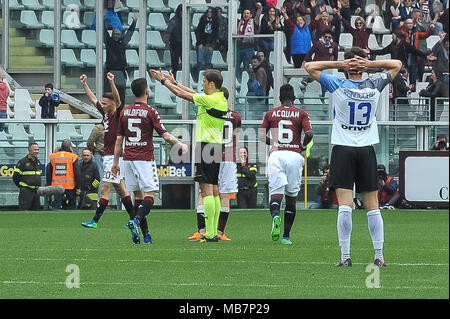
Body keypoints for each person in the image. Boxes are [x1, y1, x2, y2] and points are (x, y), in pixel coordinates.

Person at [304, 46, 402, 267]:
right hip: (366, 148)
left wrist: (340, 65)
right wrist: (370, 65)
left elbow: (309, 66)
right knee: (373, 205)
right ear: (362, 66)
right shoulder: (374, 84)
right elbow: (397, 64)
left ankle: (345, 256)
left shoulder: (338, 83)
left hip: (343, 148)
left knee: (345, 205)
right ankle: (379, 255)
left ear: (347, 67)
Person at [150, 68, 228, 243]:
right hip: (216, 146)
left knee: (206, 190)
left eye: (204, 81)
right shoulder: (219, 98)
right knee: (214, 190)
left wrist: (164, 81)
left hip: (205, 146)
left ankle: (208, 234)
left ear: (211, 83)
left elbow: (181, 95)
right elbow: (193, 93)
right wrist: (175, 81)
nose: (202, 83)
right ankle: (213, 231)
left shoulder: (209, 100)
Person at [112, 77, 188, 244]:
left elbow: (119, 140)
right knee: (150, 195)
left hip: (128, 159)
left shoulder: (124, 112)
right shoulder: (150, 112)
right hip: (144, 159)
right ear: (147, 91)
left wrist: (116, 162)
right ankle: (136, 221)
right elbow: (165, 135)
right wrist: (180, 144)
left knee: (138, 196)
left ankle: (145, 235)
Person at [259, 84, 314, 245]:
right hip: (294, 155)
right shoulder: (301, 113)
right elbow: (309, 133)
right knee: (291, 197)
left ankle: (275, 215)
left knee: (276, 193)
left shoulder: (271, 113)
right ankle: (286, 236)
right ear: (294, 98)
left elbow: (261, 135)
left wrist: (273, 143)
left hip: (276, 155)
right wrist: (303, 145)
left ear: (280, 98)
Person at [79, 73, 135, 228]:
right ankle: (134, 219)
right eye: (102, 103)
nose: (102, 105)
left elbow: (117, 99)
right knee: (121, 189)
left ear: (112, 104)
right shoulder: (105, 113)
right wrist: (84, 84)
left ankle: (95, 220)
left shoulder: (118, 113)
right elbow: (92, 99)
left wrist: (111, 82)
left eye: (105, 103)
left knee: (104, 188)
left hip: (114, 157)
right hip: (111, 156)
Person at [188, 88, 242, 242]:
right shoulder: (236, 116)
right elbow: (236, 138)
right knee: (224, 195)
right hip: (228, 156)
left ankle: (202, 230)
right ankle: (220, 231)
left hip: (211, 152)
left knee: (204, 192)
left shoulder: (211, 107)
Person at [104, 12, 138, 108]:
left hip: (121, 71)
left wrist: (134, 22)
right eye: (114, 33)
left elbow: (130, 34)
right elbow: (103, 31)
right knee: (109, 93)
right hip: (110, 71)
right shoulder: (108, 42)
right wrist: (102, 20)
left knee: (121, 93)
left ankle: (121, 109)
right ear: (112, 34)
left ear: (120, 34)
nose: (116, 35)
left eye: (118, 34)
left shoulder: (123, 42)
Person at [46, 139, 81, 210]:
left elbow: (49, 172)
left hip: (56, 186)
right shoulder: (73, 157)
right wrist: (78, 187)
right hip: (70, 187)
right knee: (71, 208)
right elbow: (77, 173)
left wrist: (49, 185)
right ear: (70, 147)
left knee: (56, 207)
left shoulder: (53, 156)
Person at [12, 142, 42, 210]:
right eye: (35, 150)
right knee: (24, 213)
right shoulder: (22, 162)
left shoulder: (38, 162)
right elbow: (15, 177)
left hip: (36, 192)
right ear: (29, 150)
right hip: (26, 192)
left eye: (38, 149)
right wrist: (22, 187)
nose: (37, 151)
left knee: (36, 214)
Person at [86, 122, 104, 195]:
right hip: (110, 154)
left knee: (101, 177)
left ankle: (101, 200)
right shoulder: (115, 125)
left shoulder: (98, 128)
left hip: (100, 154)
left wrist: (95, 150)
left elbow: (90, 142)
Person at [165, 4, 182, 73]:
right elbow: (168, 33)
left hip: (182, 45)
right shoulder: (174, 21)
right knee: (174, 64)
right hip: (175, 45)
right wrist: (167, 44)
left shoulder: (186, 21)